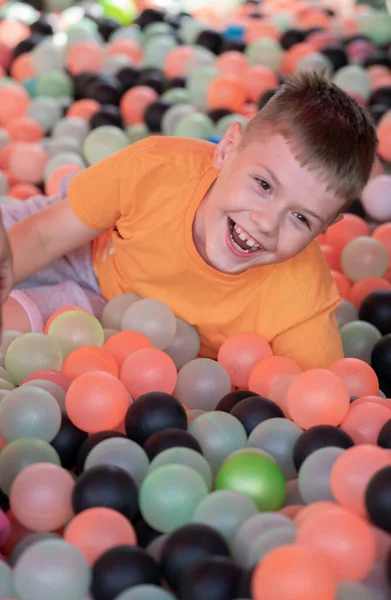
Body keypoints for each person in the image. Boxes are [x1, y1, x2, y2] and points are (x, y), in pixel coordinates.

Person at [2, 72, 378, 369]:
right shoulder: (155, 170)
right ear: (228, 150)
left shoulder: (299, 302)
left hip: (119, 322)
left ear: (323, 231)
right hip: (89, 241)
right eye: (263, 184)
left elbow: (320, 399)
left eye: (300, 218)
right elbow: (43, 238)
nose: (266, 222)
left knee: (14, 326)